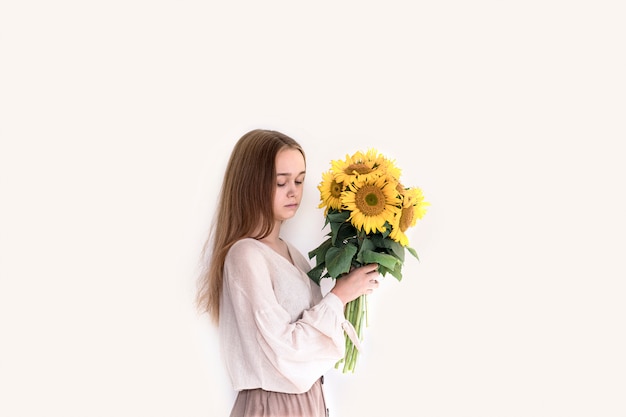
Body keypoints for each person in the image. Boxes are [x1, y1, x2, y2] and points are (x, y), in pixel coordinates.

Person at [196, 129, 380, 417]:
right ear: (250, 185)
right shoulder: (245, 255)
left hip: (309, 402)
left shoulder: (292, 254)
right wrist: (340, 295)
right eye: (281, 182)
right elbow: (284, 351)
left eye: (299, 180)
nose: (294, 191)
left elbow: (311, 349)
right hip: (273, 406)